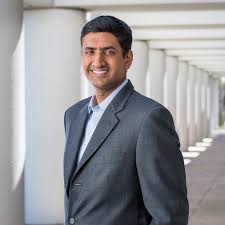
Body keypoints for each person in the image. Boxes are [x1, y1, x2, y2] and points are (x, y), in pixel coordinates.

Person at [63, 15, 189, 225]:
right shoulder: (73, 115)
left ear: (127, 58)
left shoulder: (149, 118)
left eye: (109, 51)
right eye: (89, 51)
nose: (97, 61)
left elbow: (169, 215)